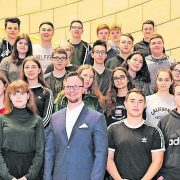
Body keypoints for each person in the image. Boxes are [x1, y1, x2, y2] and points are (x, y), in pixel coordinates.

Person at [44, 72, 108, 180]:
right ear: (64, 89)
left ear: (83, 89)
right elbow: (49, 153)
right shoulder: (55, 118)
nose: (72, 90)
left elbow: (101, 155)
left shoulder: (96, 118)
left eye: (76, 86)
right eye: (68, 87)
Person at [107, 88, 165, 180]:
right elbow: (108, 159)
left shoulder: (154, 131)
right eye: (132, 101)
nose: (136, 105)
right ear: (125, 104)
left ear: (145, 105)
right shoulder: (112, 129)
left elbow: (158, 161)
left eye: (140, 101)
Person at [0, 80, 44, 180]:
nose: (18, 97)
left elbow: (40, 152)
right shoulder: (1, 119)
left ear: (28, 96)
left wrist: (28, 176)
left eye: (22, 93)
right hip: (6, 170)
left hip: (30, 170)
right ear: (10, 97)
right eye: (14, 94)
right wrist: (7, 176)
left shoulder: (37, 120)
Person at [20, 56, 53, 129]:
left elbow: (47, 118)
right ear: (23, 70)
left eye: (33, 67)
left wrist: (33, 130)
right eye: (27, 67)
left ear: (39, 70)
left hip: (39, 133)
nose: (30, 70)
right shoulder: (18, 91)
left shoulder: (46, 92)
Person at [158, 82, 180, 180]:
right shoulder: (164, 121)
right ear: (174, 97)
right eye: (179, 94)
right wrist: (159, 175)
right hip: (170, 176)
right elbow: (158, 152)